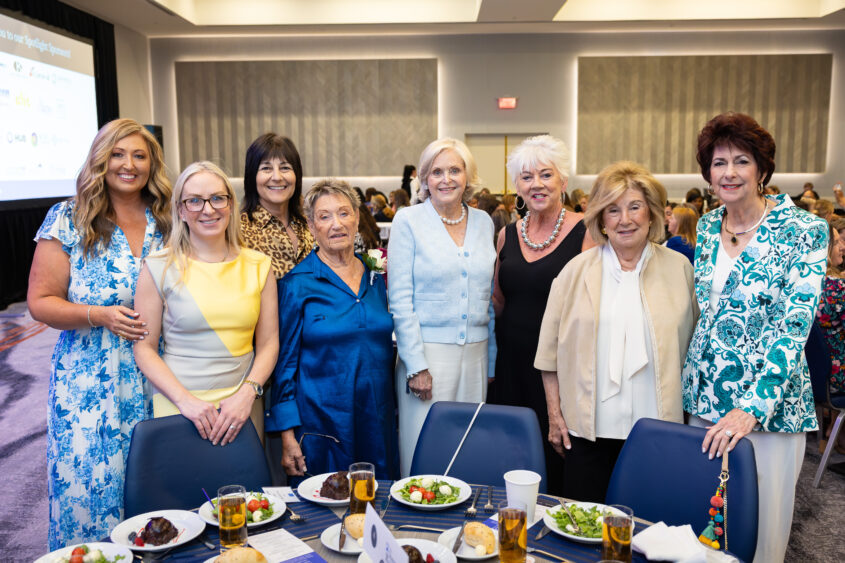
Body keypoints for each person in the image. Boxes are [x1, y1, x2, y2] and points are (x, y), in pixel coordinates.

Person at [681, 112, 828, 563]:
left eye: (741, 161)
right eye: (718, 162)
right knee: (704, 529)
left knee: (759, 533)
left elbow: (793, 328)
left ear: (762, 169)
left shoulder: (804, 230)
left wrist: (752, 408)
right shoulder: (708, 227)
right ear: (708, 174)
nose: (729, 173)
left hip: (769, 411)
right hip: (704, 402)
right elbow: (705, 316)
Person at [28, 118, 172, 549]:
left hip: (159, 374)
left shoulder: (168, 219)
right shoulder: (69, 217)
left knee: (158, 488)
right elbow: (40, 301)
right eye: (117, 154)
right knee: (90, 489)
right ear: (100, 160)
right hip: (89, 381)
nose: (129, 165)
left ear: (152, 164)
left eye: (140, 156)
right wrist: (98, 315)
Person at [535, 160, 697, 503]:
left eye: (635, 207)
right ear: (601, 220)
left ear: (651, 213)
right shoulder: (574, 272)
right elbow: (548, 356)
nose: (625, 219)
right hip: (586, 431)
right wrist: (554, 416)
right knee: (584, 523)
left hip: (657, 429)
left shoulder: (680, 269)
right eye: (613, 210)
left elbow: (694, 349)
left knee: (651, 523)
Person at [134, 162, 278, 444]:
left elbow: (269, 344)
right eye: (195, 201)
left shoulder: (259, 265)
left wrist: (248, 394)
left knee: (245, 475)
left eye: (217, 198)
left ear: (230, 204)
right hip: (178, 405)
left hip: (241, 407)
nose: (208, 209)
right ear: (180, 210)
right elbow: (144, 349)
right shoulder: (158, 266)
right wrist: (185, 401)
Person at [266, 179, 399, 478]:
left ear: (357, 218)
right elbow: (284, 367)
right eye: (324, 216)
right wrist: (287, 437)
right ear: (312, 227)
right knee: (326, 499)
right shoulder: (296, 284)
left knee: (377, 498)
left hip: (376, 420)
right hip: (322, 425)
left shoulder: (375, 276)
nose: (336, 224)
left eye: (344, 213)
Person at [489, 135, 595, 495]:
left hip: (561, 370)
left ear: (563, 181)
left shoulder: (586, 232)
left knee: (559, 459)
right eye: (526, 177)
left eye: (546, 175)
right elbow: (499, 299)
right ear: (517, 186)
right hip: (511, 367)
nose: (536, 184)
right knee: (512, 461)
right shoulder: (506, 234)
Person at [389, 138, 496, 477]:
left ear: (467, 176)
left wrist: (491, 359)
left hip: (476, 356)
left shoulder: (484, 222)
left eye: (454, 170)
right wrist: (416, 365)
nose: (446, 179)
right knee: (424, 452)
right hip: (428, 357)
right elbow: (400, 300)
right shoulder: (408, 220)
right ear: (424, 178)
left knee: (468, 452)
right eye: (436, 172)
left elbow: (487, 297)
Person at [239, 133, 314, 280]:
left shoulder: (311, 225)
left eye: (285, 168)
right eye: (266, 168)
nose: (277, 177)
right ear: (252, 177)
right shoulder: (238, 232)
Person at [815, 221, 845, 453]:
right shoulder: (836, 287)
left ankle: (835, 433)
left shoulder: (806, 283)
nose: (842, 247)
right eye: (837, 242)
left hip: (816, 378)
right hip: (836, 379)